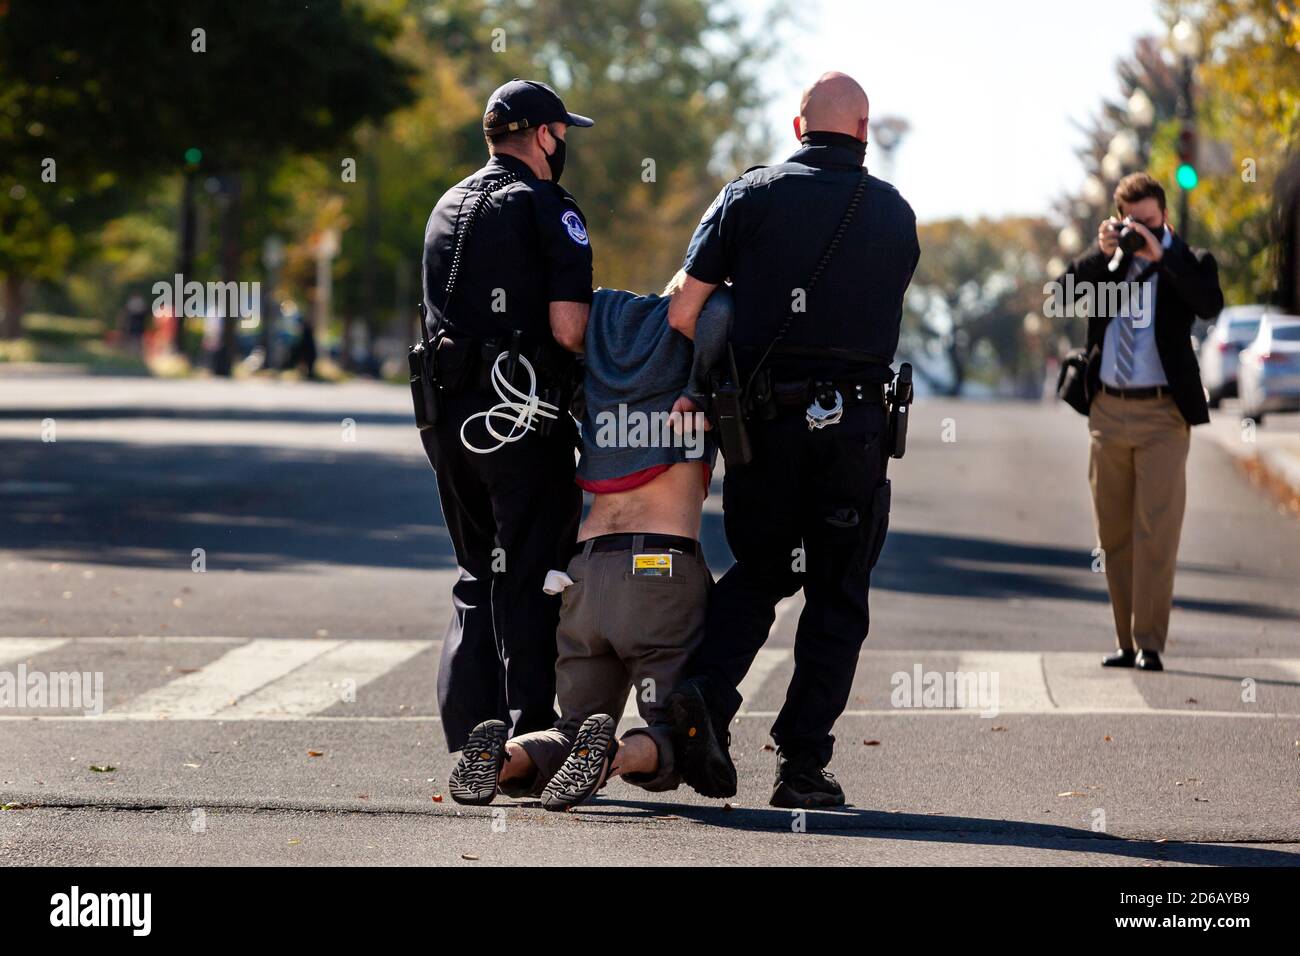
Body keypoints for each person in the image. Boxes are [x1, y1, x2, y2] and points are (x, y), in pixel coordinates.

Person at [662, 72, 920, 809]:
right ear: (865, 131)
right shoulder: (895, 214)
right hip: (857, 433)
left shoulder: (749, 196)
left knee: (762, 567)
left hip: (767, 426)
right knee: (838, 594)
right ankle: (802, 766)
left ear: (798, 125)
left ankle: (706, 695)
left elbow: (684, 311)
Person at [447, 276, 733, 809]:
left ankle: (506, 756)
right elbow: (714, 314)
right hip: (658, 569)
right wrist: (697, 388)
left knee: (570, 725)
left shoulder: (604, 330)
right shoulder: (699, 351)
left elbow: (563, 323)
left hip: (586, 571)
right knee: (673, 729)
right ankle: (614, 758)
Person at [419, 79, 595, 753]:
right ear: (546, 135)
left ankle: (470, 741)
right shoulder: (550, 207)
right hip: (521, 416)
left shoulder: (447, 204)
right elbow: (570, 327)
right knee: (531, 573)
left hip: (447, 417)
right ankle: (529, 739)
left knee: (475, 573)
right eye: (563, 134)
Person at [1065, 172, 1224, 672]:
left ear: (1165, 218)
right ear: (1118, 218)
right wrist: (1102, 251)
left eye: (1150, 222)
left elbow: (1209, 302)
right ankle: (1124, 641)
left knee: (1156, 530)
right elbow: (1064, 294)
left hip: (1162, 414)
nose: (1141, 231)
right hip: (1108, 411)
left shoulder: (1189, 262)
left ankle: (1150, 643)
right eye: (1132, 222)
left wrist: (1164, 257)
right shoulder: (1109, 266)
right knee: (1114, 534)